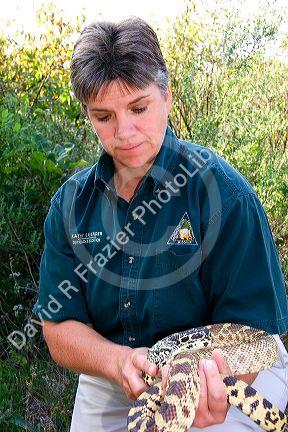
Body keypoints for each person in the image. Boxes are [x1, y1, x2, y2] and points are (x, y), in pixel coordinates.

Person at [32, 16, 288, 432]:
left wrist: (206, 392)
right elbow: (58, 326)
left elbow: (256, 338)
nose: (124, 132)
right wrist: (118, 363)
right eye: (103, 116)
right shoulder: (70, 206)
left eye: (139, 108)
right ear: (87, 116)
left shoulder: (225, 194)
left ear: (167, 96)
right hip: (118, 369)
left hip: (231, 366)